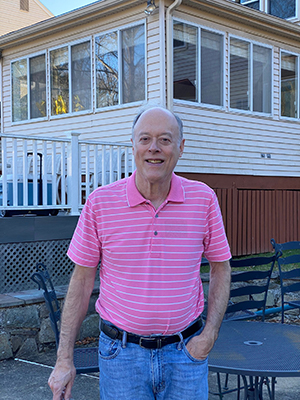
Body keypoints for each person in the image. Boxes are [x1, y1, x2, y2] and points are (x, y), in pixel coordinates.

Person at [48, 106, 231, 400]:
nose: (154, 148)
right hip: (122, 358)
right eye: (144, 139)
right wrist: (64, 359)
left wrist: (209, 335)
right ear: (132, 145)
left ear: (181, 147)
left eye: (165, 140)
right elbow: (81, 282)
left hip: (186, 356)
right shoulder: (100, 203)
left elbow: (221, 268)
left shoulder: (204, 199)